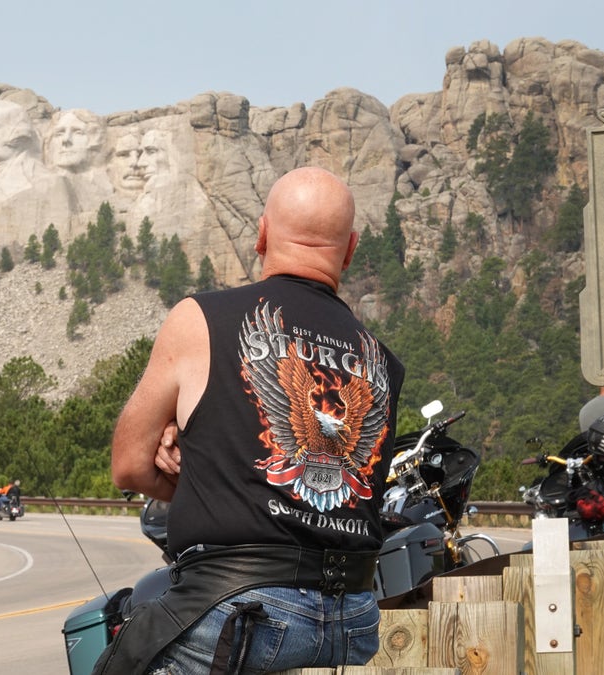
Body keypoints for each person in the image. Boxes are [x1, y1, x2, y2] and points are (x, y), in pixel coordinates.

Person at [99, 167, 405, 674]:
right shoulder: (381, 362)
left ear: (261, 234)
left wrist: (209, 478)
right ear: (349, 250)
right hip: (353, 618)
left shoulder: (201, 319)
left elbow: (129, 467)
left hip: (241, 607)